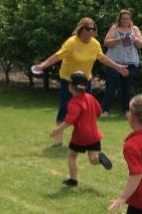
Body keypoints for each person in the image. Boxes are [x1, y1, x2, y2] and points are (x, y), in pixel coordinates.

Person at [32, 17, 129, 145]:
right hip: (69, 80)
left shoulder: (95, 44)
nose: (91, 31)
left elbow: (102, 58)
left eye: (93, 28)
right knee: (65, 107)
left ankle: (86, 137)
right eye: (88, 28)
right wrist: (42, 65)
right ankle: (58, 138)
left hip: (85, 81)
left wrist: (118, 67)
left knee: (87, 110)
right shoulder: (72, 43)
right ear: (81, 29)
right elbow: (57, 56)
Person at [50, 71, 113, 186]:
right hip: (94, 135)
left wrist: (57, 129)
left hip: (80, 136)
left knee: (71, 156)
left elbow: (69, 120)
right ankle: (99, 158)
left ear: (70, 86)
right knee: (93, 159)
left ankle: (73, 180)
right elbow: (99, 112)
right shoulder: (90, 98)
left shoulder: (74, 103)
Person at [101, 9, 142, 117]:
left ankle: (126, 111)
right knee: (111, 87)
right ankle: (106, 111)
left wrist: (134, 39)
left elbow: (141, 44)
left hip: (130, 62)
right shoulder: (114, 28)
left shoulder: (134, 29)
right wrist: (117, 40)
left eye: (127, 19)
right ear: (119, 19)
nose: (125, 21)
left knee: (127, 88)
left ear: (130, 19)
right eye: (123, 19)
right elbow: (106, 43)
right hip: (114, 62)